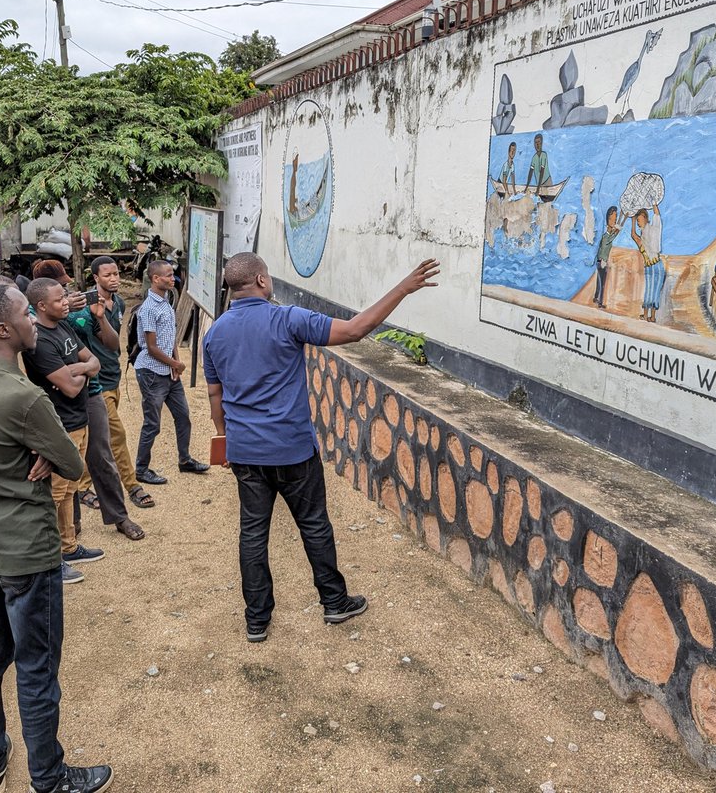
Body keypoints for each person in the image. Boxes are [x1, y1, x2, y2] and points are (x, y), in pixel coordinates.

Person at [204, 253, 441, 643]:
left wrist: (224, 439)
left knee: (252, 533)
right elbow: (354, 330)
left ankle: (257, 620)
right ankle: (334, 602)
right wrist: (404, 287)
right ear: (262, 281)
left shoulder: (215, 334)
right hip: (293, 449)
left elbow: (216, 395)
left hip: (245, 452)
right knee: (314, 525)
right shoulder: (287, 319)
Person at [0, 283, 111, 793]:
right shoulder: (24, 396)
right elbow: (70, 461)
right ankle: (49, 776)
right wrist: (38, 453)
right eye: (25, 314)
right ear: (3, 330)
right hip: (28, 549)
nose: (32, 322)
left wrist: (33, 452)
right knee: (37, 668)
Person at [22, 278, 105, 584]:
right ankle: (49, 560)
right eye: (59, 300)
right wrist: (80, 371)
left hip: (79, 419)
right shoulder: (40, 341)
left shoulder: (64, 326)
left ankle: (68, 547)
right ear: (41, 306)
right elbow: (69, 388)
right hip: (60, 425)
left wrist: (77, 370)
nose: (66, 302)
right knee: (55, 495)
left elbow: (92, 362)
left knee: (70, 489)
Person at [62, 259, 146, 540]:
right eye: (107, 275)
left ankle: (92, 493)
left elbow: (112, 344)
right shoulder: (72, 315)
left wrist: (100, 317)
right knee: (113, 438)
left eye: (116, 273)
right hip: (89, 388)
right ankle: (132, 485)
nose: (114, 279)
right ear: (94, 278)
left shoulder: (117, 304)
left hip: (107, 379)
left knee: (95, 444)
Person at [134, 260, 209, 484]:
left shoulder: (166, 302)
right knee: (152, 424)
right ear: (156, 279)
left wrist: (176, 363)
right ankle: (140, 470)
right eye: (167, 275)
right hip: (151, 373)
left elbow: (170, 338)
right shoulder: (148, 309)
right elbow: (151, 347)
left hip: (168, 371)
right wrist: (175, 365)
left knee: (183, 416)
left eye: (172, 275)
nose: (172, 278)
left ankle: (184, 460)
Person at [631, 204, 665, 323]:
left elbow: (657, 216)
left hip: (657, 265)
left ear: (645, 218)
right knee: (648, 290)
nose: (638, 223)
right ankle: (646, 315)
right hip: (649, 267)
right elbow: (633, 235)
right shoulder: (642, 236)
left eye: (639, 220)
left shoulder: (653, 229)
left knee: (654, 291)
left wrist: (654, 202)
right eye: (637, 221)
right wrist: (633, 219)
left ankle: (652, 316)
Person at [593, 206, 623, 309]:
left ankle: (596, 297)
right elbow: (612, 236)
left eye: (615, 218)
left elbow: (614, 234)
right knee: (602, 283)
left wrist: (622, 217)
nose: (614, 220)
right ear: (608, 219)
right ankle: (600, 302)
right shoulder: (606, 236)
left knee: (599, 280)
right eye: (612, 219)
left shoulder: (607, 234)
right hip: (602, 261)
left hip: (600, 261)